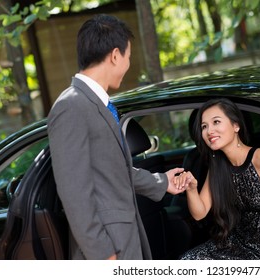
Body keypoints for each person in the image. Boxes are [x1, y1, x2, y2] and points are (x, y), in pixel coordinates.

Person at [47, 14, 184, 260]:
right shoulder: (70, 106)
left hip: (124, 238)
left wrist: (162, 182)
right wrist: (102, 254)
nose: (128, 64)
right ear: (114, 55)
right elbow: (74, 191)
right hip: (108, 249)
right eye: (128, 57)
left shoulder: (97, 103)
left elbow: (112, 170)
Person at [175, 98, 260, 259]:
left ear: (236, 126)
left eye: (216, 122)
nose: (209, 131)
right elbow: (200, 213)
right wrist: (191, 188)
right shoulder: (217, 167)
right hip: (234, 245)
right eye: (204, 126)